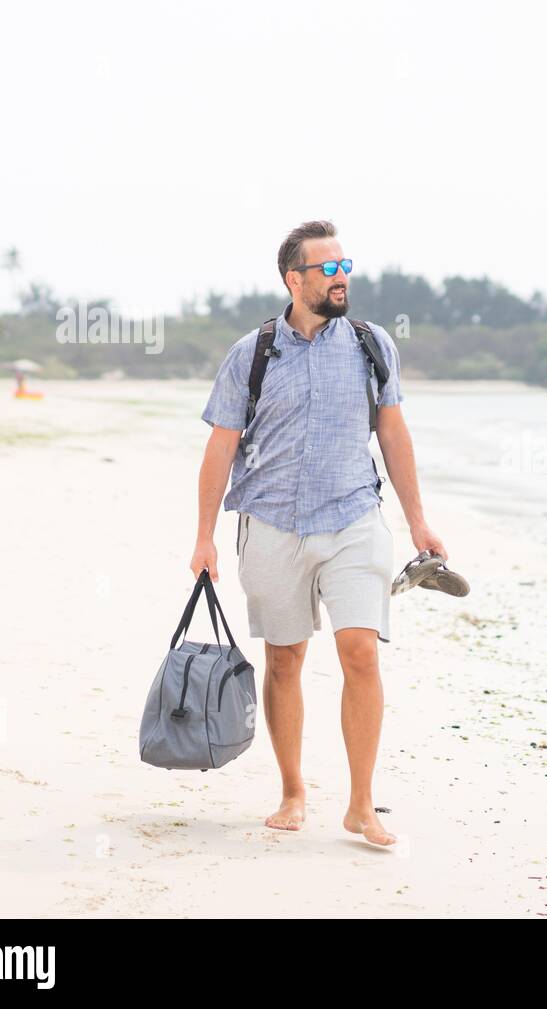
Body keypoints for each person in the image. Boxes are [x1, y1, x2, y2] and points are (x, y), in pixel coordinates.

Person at [190, 220, 445, 845]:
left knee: (360, 652)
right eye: (327, 268)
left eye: (344, 265)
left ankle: (361, 805)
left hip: (354, 518)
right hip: (272, 522)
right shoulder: (252, 352)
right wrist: (204, 538)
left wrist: (418, 521)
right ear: (293, 279)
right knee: (285, 659)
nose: (341, 277)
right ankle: (293, 791)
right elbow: (221, 447)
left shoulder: (370, 343)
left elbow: (393, 434)